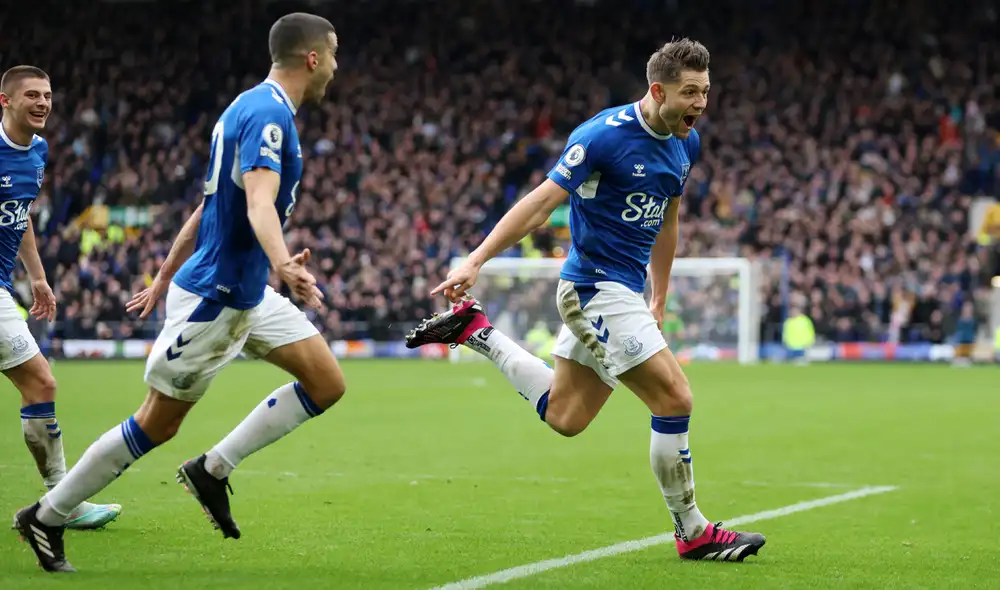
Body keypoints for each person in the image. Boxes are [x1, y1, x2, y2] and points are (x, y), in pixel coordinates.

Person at [406, 39, 766, 562]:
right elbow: (539, 204)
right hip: (593, 286)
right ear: (657, 89)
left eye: (706, 92)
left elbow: (668, 216)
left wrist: (659, 293)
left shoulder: (686, 145)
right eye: (690, 93)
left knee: (567, 416)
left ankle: (473, 331)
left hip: (622, 290)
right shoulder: (602, 137)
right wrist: (475, 259)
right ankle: (693, 531)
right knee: (675, 399)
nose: (700, 104)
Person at [15, 13, 346, 573]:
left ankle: (212, 469)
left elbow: (208, 204)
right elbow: (258, 203)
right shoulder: (270, 117)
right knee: (157, 423)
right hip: (218, 296)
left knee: (325, 381)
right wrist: (282, 262)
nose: (337, 66)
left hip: (244, 293)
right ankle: (46, 516)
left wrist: (164, 276)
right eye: (333, 54)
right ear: (312, 58)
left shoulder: (244, 106)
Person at [1, 65, 123, 532]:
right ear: (5, 101)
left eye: (47, 95)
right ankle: (61, 502)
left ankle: (60, 500)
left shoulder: (37, 151)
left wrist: (38, 278)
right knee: (42, 384)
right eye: (31, 95)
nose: (42, 103)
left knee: (40, 385)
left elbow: (21, 213)